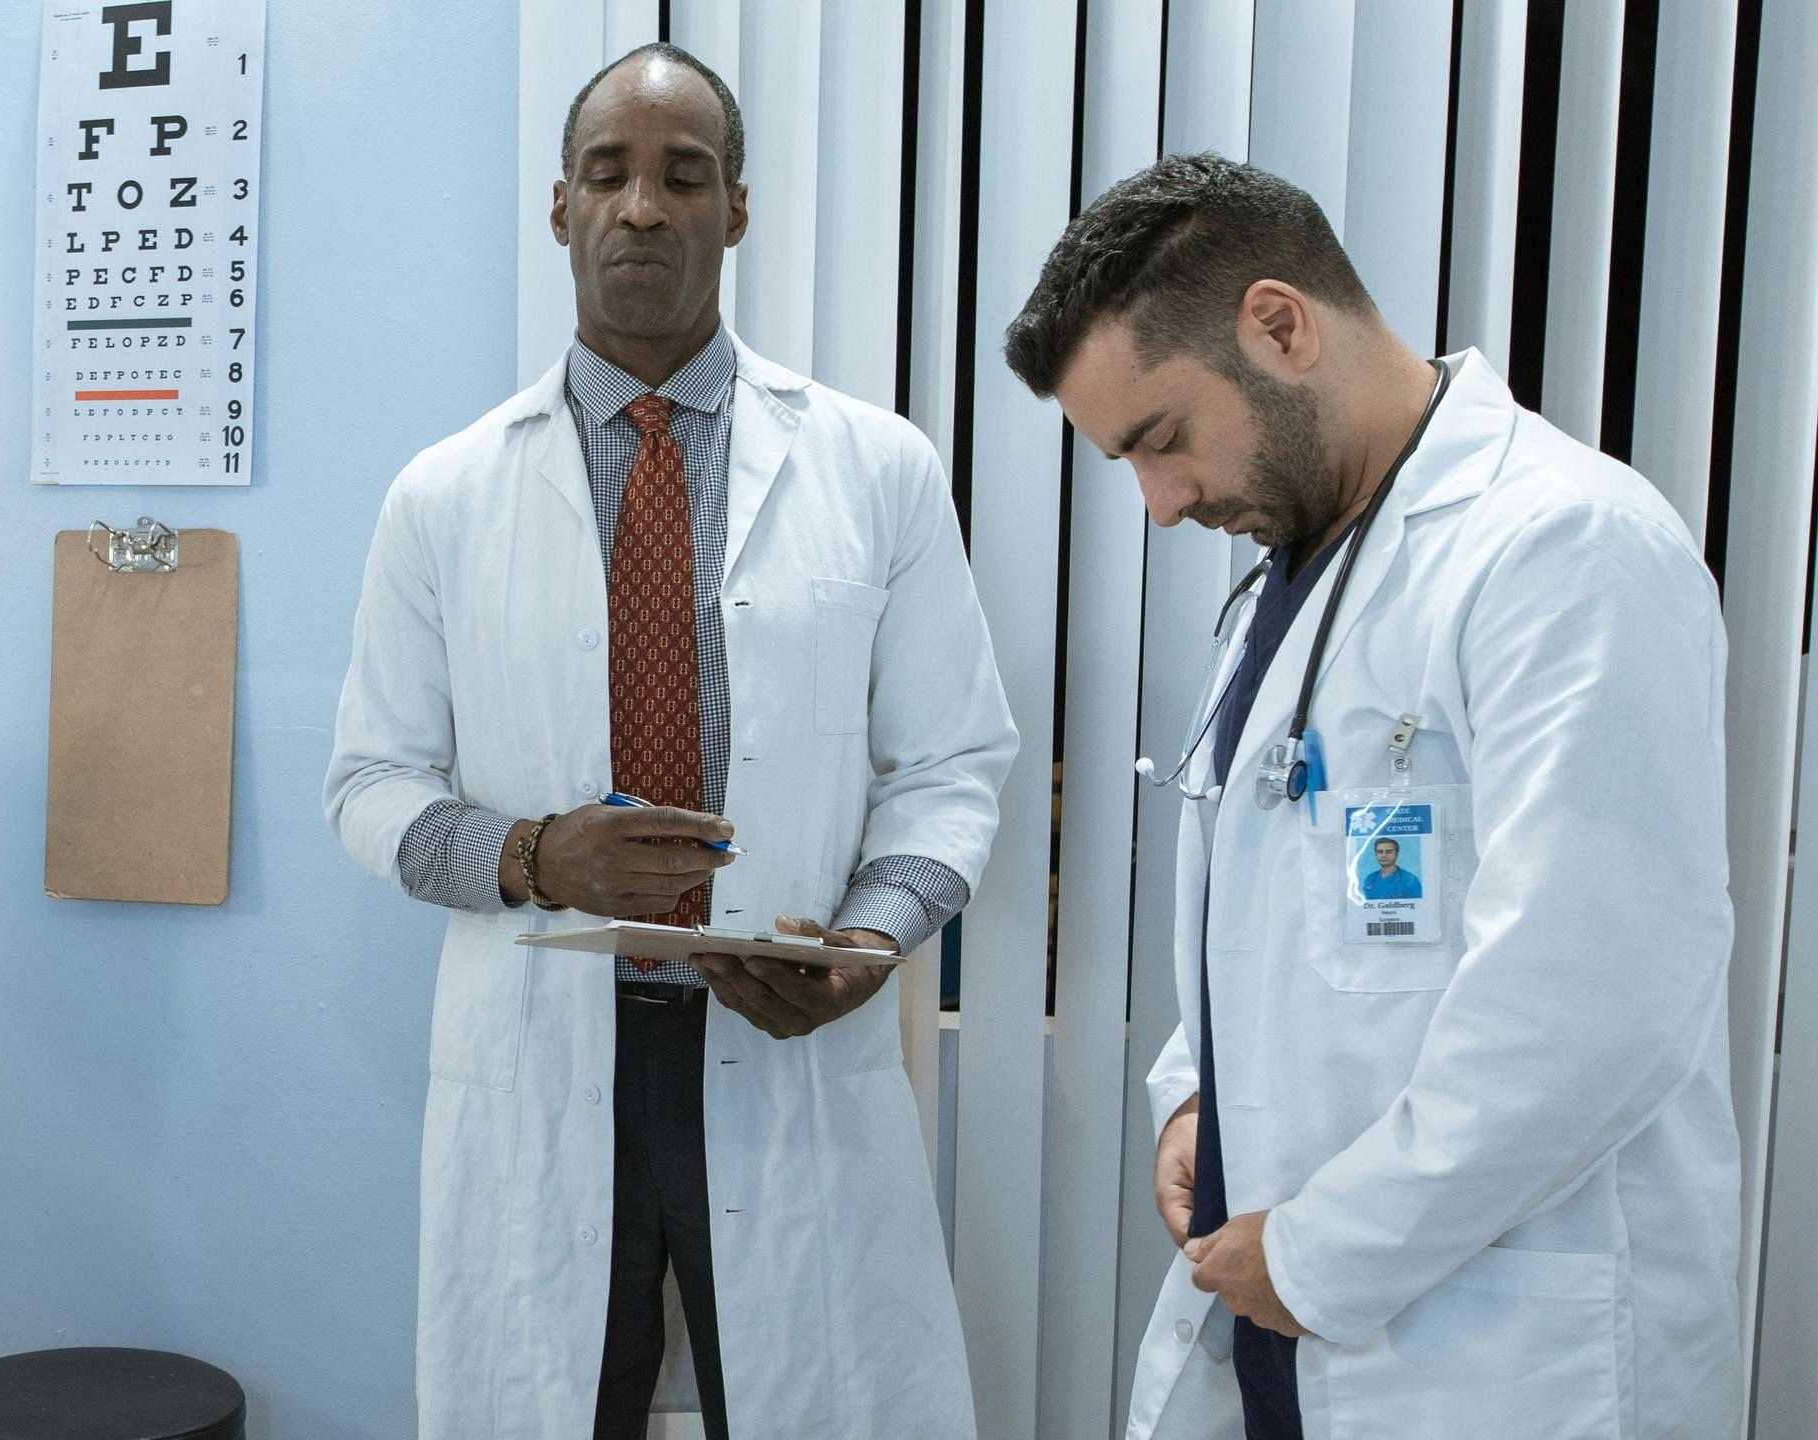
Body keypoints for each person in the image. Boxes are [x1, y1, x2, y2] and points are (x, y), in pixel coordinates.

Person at [325, 43, 1016, 1440]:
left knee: (811, 1395)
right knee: (557, 1398)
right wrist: (530, 854)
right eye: (609, 173)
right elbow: (368, 782)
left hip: (780, 1034)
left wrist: (872, 938)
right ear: (561, 208)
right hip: (549, 1050)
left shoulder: (874, 470)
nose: (644, 205)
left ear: (736, 210)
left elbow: (953, 762)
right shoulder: (445, 493)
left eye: (683, 175)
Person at [1005, 153, 1738, 1439]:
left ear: (1279, 324)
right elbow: (1273, 925)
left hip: (1490, 1351)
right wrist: (1192, 1099)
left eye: (1162, 440)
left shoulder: (1563, 548)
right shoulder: (1293, 578)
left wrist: (1324, 1253)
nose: (1162, 506)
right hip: (1289, 1320)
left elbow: (1591, 1006)